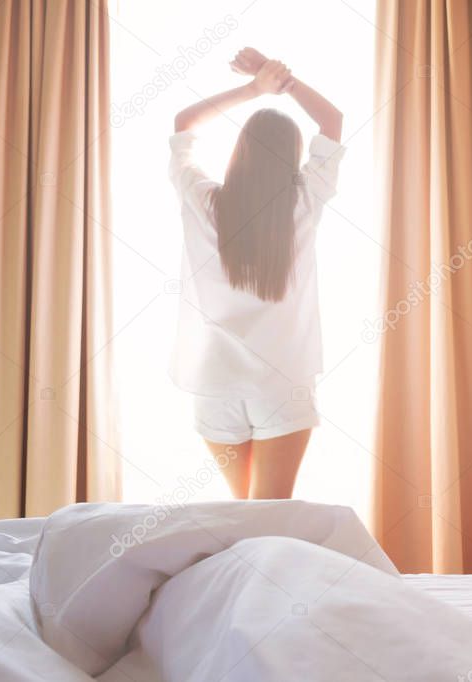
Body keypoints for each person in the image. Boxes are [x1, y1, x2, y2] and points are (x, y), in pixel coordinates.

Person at [168, 48, 344, 500]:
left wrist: (253, 88)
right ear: (291, 159)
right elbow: (332, 122)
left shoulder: (202, 200)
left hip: (215, 382)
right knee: (267, 518)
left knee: (242, 514)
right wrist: (283, 79)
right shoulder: (302, 202)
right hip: (280, 382)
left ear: (239, 151)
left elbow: (183, 123)